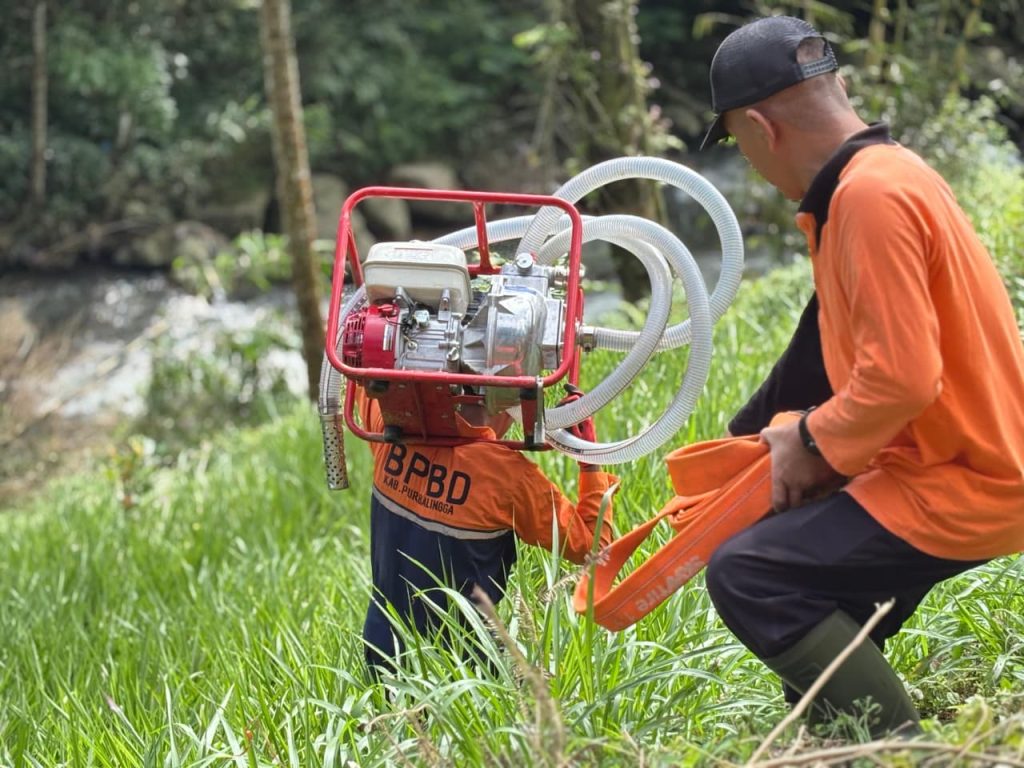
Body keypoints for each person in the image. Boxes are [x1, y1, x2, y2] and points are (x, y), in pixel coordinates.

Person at [698, 15, 1024, 737]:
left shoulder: (869, 198)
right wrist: (764, 440)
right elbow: (822, 354)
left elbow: (902, 380)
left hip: (967, 476)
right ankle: (834, 743)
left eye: (739, 144)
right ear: (838, 87)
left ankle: (904, 753)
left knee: (753, 574)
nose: (750, 163)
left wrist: (812, 442)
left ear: (761, 128)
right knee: (806, 570)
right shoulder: (881, 178)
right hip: (952, 461)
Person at [355, 382, 618, 671]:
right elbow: (594, 547)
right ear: (504, 402)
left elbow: (361, 376)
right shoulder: (507, 476)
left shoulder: (390, 430)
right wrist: (589, 460)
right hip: (464, 673)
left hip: (382, 655)